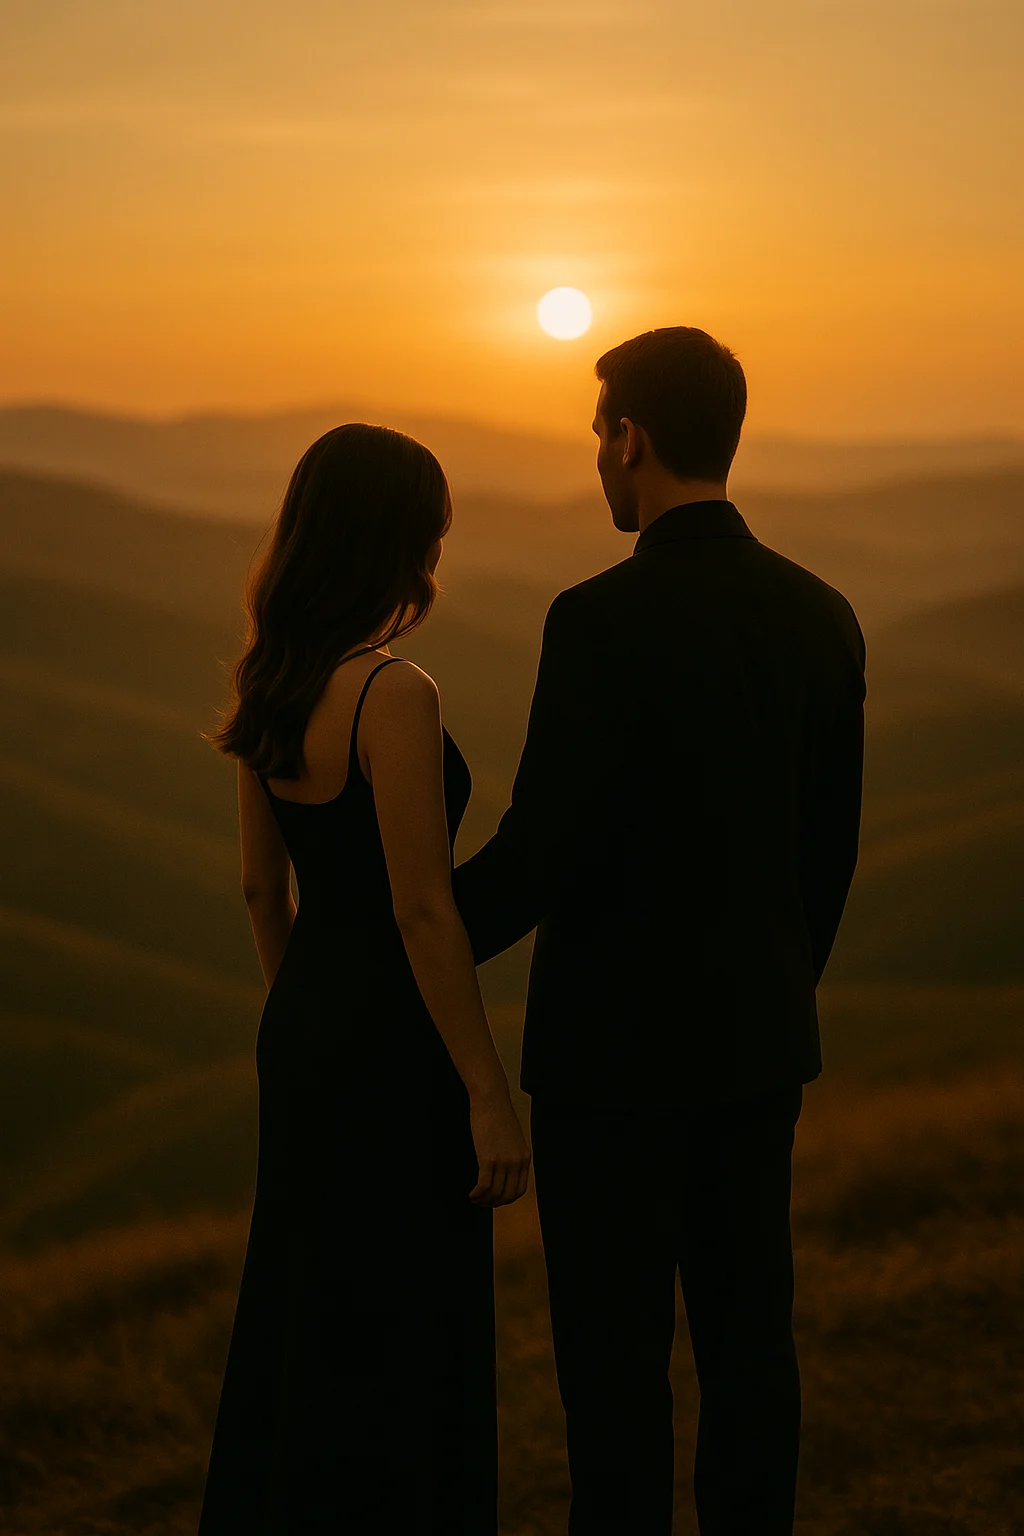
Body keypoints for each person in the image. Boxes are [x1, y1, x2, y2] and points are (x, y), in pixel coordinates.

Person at [454, 327, 866, 1535]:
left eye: (597, 436)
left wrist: (417, 939)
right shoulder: (821, 616)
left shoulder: (595, 622)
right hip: (755, 1050)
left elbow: (544, 850)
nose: (595, 460)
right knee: (752, 1351)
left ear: (630, 438)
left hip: (606, 1074)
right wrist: (776, 987)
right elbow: (824, 859)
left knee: (613, 1373)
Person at [200, 423, 530, 1534]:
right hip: (397, 1042)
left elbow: (261, 893)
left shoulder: (273, 680)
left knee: (305, 1300)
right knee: (405, 1312)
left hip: (302, 1027)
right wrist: (486, 1087)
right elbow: (421, 906)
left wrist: (308, 1015)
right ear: (399, 541)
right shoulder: (394, 694)